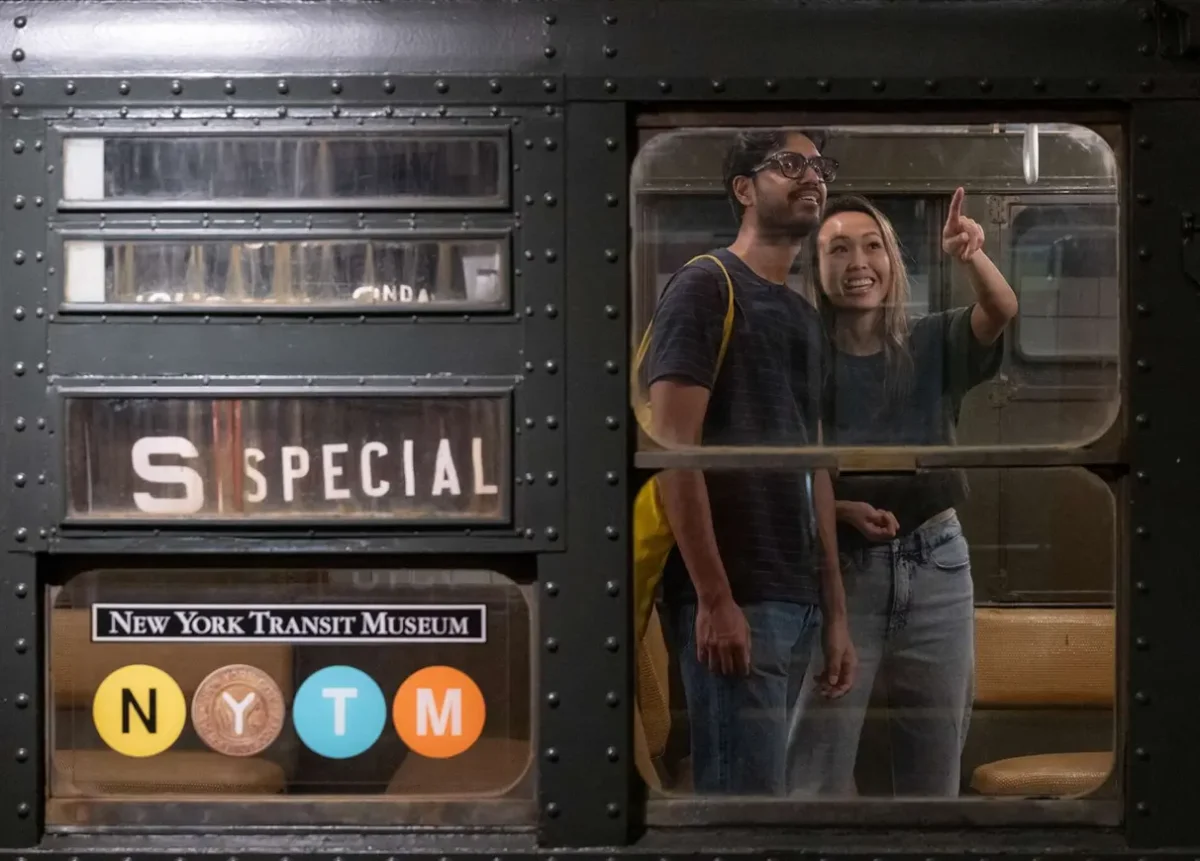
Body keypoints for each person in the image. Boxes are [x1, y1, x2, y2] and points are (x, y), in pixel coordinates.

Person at [640, 129, 857, 796]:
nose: (810, 176)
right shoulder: (705, 287)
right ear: (743, 188)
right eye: (789, 163)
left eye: (818, 165)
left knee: (779, 808)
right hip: (736, 596)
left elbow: (813, 463)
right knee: (743, 808)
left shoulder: (802, 315)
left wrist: (836, 610)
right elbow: (672, 448)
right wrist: (712, 597)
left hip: (795, 598)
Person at [786, 189, 1018, 797]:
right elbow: (783, 473)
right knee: (818, 764)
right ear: (817, 269)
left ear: (892, 261)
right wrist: (834, 510)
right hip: (840, 567)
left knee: (933, 767)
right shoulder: (801, 358)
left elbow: (999, 308)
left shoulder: (933, 339)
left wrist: (970, 256)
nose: (857, 262)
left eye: (872, 246)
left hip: (937, 561)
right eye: (838, 249)